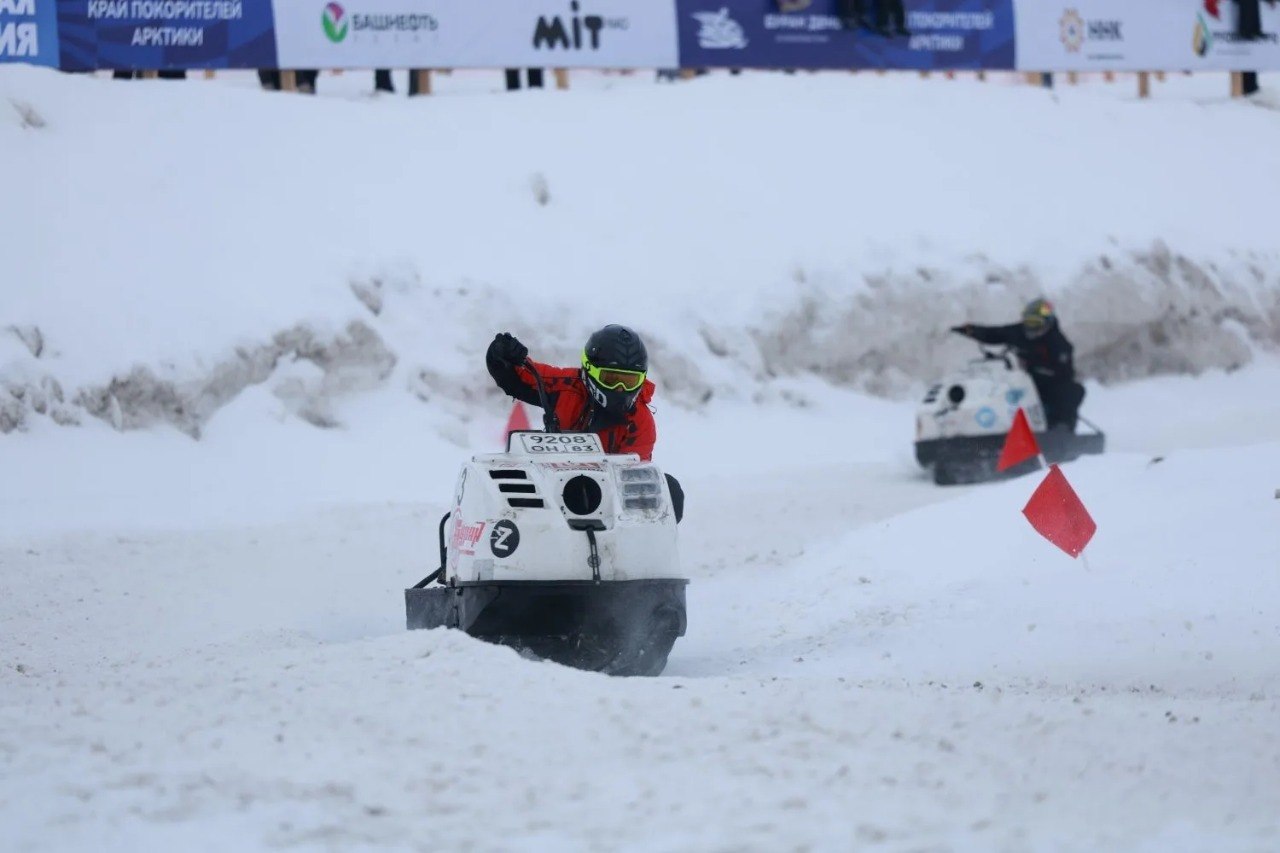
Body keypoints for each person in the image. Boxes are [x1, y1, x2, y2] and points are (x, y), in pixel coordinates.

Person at [486, 324, 684, 520]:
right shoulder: (567, 386)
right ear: (589, 370)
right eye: (611, 378)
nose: (620, 389)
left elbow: (632, 479)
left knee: (669, 490)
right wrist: (501, 353)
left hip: (607, 502)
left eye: (629, 381)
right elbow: (519, 376)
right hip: (549, 488)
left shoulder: (640, 420)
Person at [950, 298, 1085, 431]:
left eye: (1036, 323)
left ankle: (1061, 429)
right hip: (1021, 379)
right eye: (1028, 323)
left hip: (1048, 384)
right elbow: (994, 334)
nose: (1031, 328)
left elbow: (1064, 373)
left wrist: (1035, 367)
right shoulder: (1019, 331)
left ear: (1047, 323)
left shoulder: (1059, 344)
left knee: (1072, 391)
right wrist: (970, 330)